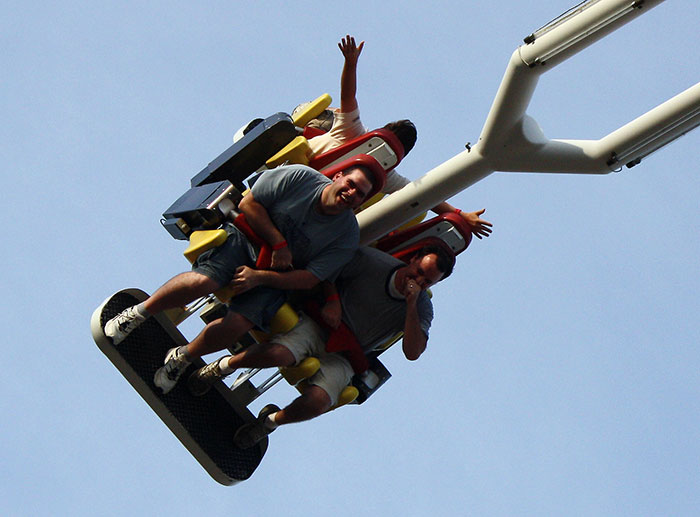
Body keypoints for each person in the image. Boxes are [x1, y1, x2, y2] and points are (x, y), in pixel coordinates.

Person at [104, 162, 382, 394]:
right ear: (338, 177)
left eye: (359, 194)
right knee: (206, 282)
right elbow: (250, 202)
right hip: (245, 239)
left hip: (274, 277)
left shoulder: (346, 236)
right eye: (351, 183)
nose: (351, 192)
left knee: (237, 325)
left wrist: (260, 278)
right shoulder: (301, 177)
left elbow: (309, 278)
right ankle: (139, 313)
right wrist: (278, 243)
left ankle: (182, 357)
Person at [186, 244, 454, 448]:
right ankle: (221, 367)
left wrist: (410, 306)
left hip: (345, 355)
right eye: (419, 273)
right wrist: (333, 301)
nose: (418, 281)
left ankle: (269, 422)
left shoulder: (422, 308)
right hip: (320, 326)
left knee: (318, 401)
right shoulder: (373, 262)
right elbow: (328, 271)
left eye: (427, 281)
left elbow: (413, 352)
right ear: (414, 259)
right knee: (281, 352)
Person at [302, 35, 493, 240]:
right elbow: (425, 194)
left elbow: (348, 96)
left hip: (309, 193)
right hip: (301, 184)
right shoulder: (384, 174)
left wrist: (350, 63)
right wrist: (460, 214)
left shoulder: (355, 133)